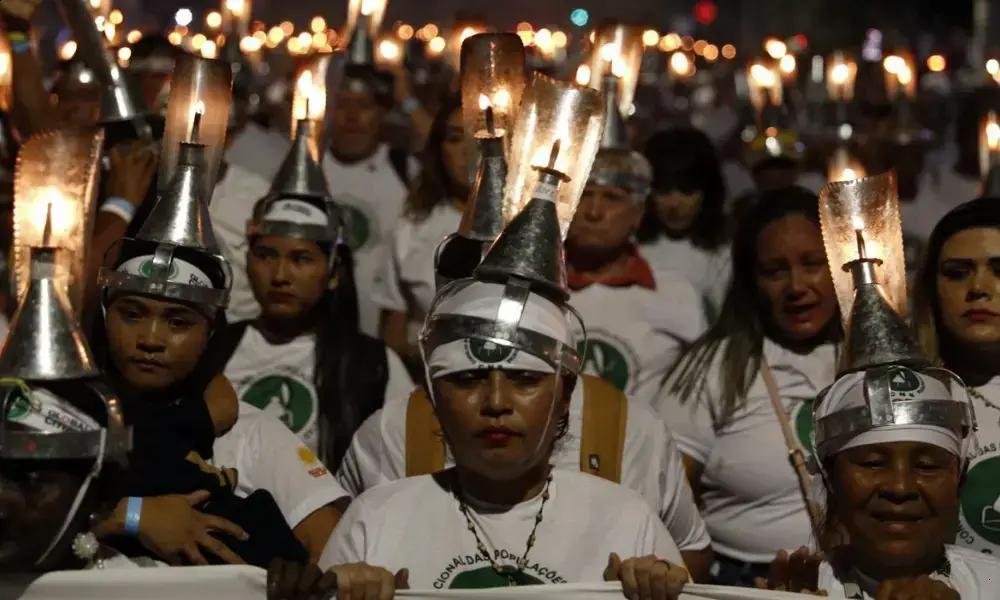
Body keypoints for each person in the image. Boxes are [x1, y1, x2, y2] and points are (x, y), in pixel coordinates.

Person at [313, 283, 687, 597]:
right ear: (434, 398)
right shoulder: (375, 519)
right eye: (468, 379)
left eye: (524, 379)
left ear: (565, 396)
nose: (496, 403)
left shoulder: (626, 518)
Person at [657, 186, 840, 585]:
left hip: (852, 578)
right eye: (775, 271)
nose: (796, 287)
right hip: (741, 582)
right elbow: (664, 497)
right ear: (751, 280)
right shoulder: (714, 367)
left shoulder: (871, 355)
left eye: (813, 264)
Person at [210, 123, 412, 467]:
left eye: (301, 259)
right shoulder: (213, 352)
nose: (280, 275)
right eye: (266, 255)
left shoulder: (372, 367)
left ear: (333, 272)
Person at [761, 364, 1000, 598]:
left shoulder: (992, 581)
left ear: (959, 482)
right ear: (831, 478)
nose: (900, 487)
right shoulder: (794, 589)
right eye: (873, 463)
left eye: (926, 466)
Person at [912, 197, 1000, 555]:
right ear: (932, 290)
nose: (978, 287)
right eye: (957, 272)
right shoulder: (902, 396)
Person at [373, 96, 467, 373]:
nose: (469, 151)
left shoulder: (527, 223)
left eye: (481, 137)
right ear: (438, 150)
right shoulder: (413, 225)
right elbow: (392, 328)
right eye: (455, 138)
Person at [323, 64, 412, 337]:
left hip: (381, 335)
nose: (352, 117)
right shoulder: (309, 167)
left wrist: (408, 100)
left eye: (363, 106)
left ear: (382, 113)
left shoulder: (404, 169)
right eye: (342, 105)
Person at [639, 127, 732, 320]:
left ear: (707, 191)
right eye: (664, 190)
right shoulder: (630, 249)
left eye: (686, 190)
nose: (674, 203)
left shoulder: (728, 254)